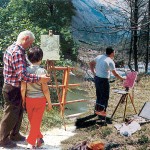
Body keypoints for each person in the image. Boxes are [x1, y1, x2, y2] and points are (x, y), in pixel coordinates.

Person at [0, 30, 50, 148]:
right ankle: (2, 139)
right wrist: (39, 78)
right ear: (25, 38)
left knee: (19, 111)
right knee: (11, 113)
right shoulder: (17, 52)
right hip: (12, 87)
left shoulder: (12, 48)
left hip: (13, 86)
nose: (30, 46)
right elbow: (22, 75)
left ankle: (15, 134)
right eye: (30, 43)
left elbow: (24, 68)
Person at [21, 46, 52, 149]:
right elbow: (45, 89)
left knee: (34, 122)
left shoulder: (25, 71)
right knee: (35, 122)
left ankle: (39, 140)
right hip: (40, 100)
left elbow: (23, 88)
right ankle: (31, 143)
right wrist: (50, 102)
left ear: (28, 58)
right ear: (41, 58)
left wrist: (23, 100)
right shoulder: (42, 72)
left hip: (29, 99)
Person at [89, 47, 125, 117]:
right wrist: (122, 78)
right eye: (114, 52)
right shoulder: (110, 61)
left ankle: (97, 111)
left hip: (97, 79)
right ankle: (101, 114)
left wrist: (94, 73)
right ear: (112, 53)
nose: (114, 54)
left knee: (99, 96)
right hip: (103, 80)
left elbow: (91, 64)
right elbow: (115, 74)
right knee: (104, 97)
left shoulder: (99, 57)